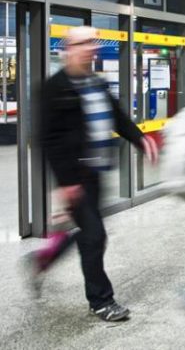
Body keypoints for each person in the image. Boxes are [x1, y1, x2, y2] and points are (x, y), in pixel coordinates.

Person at [26, 26, 158, 321]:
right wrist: (66, 182)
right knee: (95, 235)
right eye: (84, 43)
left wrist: (140, 139)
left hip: (96, 171)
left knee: (90, 233)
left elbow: (118, 117)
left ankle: (43, 259)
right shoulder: (53, 88)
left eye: (93, 42)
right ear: (68, 49)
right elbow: (48, 139)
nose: (92, 48)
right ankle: (101, 300)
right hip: (75, 175)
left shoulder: (96, 83)